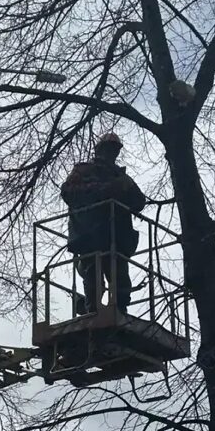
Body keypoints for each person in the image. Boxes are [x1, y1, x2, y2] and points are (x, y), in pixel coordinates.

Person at [60, 132, 146, 314]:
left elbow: (139, 202)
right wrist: (103, 191)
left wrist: (124, 188)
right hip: (90, 235)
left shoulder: (122, 178)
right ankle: (92, 311)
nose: (110, 153)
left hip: (116, 236)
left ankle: (120, 310)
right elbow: (68, 192)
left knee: (120, 277)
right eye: (108, 149)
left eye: (114, 150)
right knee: (93, 277)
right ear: (99, 149)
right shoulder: (84, 171)